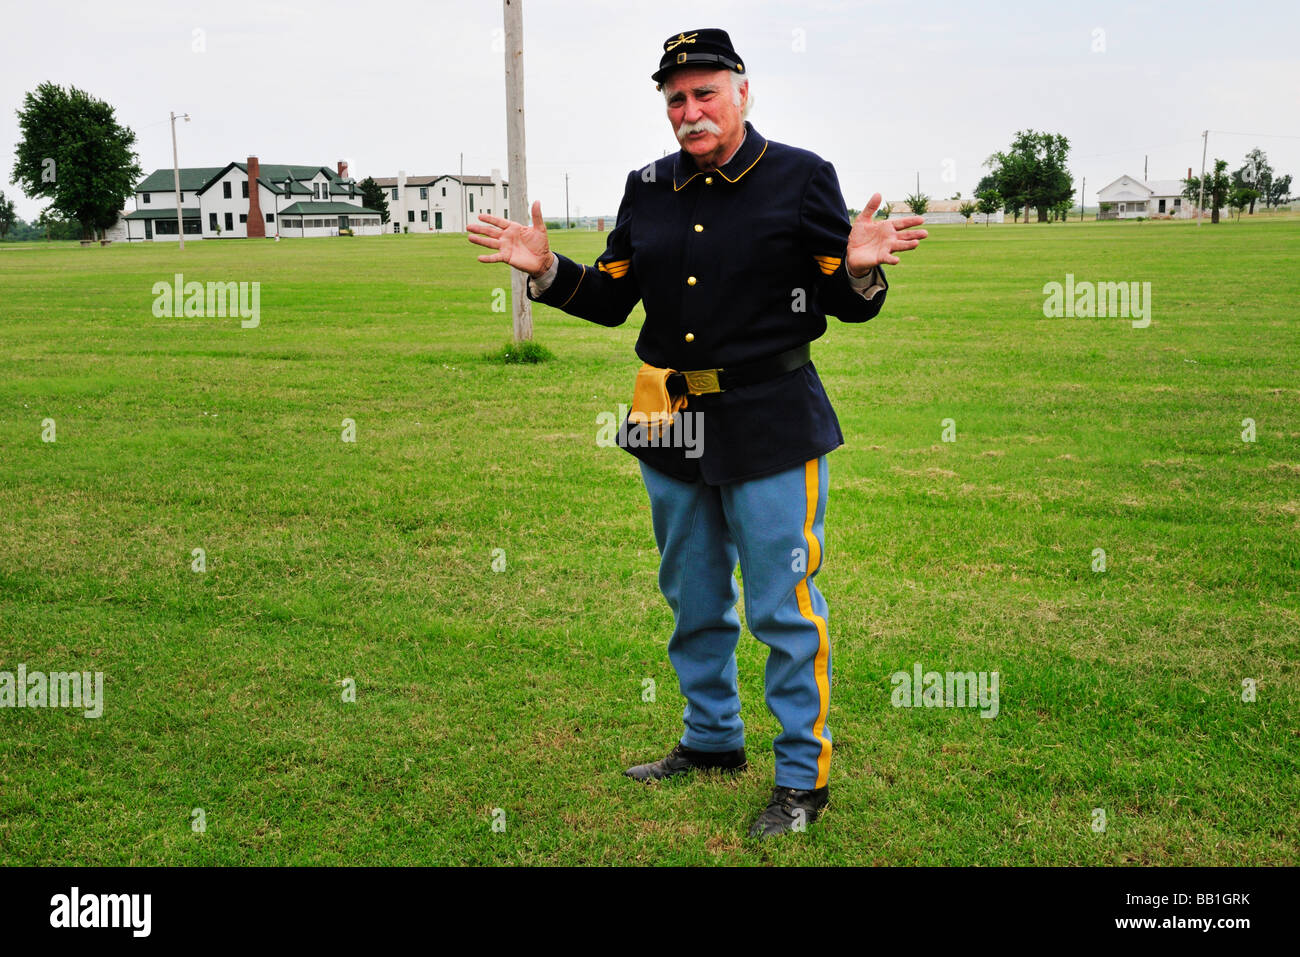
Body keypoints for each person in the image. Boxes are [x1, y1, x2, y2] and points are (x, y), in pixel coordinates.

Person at [468, 27, 927, 838]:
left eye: (704, 92)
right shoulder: (646, 187)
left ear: (742, 92)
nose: (689, 110)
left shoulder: (798, 177)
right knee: (693, 597)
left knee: (784, 607)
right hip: (668, 418)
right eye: (675, 98)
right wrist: (543, 270)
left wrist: (858, 267)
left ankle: (800, 782)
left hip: (770, 421)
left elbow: (844, 300)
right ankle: (712, 739)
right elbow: (611, 296)